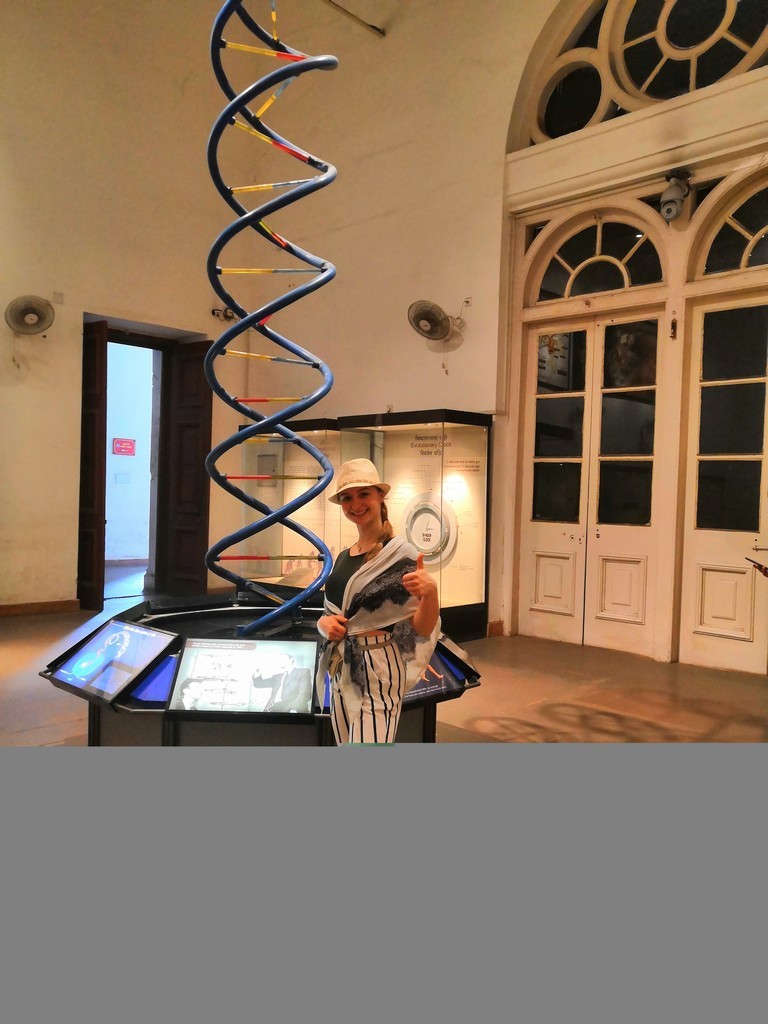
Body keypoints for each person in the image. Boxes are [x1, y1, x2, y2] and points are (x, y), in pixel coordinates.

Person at [316, 458, 440, 744]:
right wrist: (323, 625)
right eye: (347, 498)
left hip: (378, 666)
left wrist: (431, 593)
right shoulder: (344, 557)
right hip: (341, 665)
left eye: (364, 494)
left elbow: (422, 628)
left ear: (380, 496)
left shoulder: (401, 555)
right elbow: (330, 613)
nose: (355, 504)